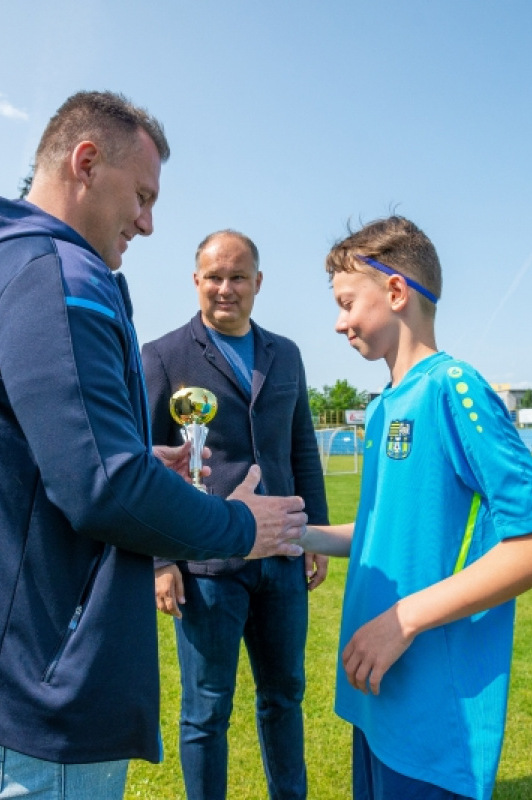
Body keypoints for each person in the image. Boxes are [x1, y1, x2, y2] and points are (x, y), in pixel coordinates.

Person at [0, 91, 307, 800]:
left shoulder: (9, 264)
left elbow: (49, 458)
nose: (148, 224)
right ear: (87, 163)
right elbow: (105, 487)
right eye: (143, 197)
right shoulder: (56, 275)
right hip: (43, 676)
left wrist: (129, 457)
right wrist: (244, 526)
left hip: (13, 660)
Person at [297, 216, 532, 800]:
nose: (338, 321)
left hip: (431, 715)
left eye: (348, 302)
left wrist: (403, 619)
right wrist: (297, 534)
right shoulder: (382, 408)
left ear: (396, 292)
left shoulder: (453, 387)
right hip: (379, 697)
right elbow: (383, 529)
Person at [142, 230, 329, 800]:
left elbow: (301, 449)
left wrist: (313, 532)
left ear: (258, 283)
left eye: (238, 277)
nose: (226, 288)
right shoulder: (163, 355)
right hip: (207, 564)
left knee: (285, 695)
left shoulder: (286, 353)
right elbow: (144, 463)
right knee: (206, 710)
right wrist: (160, 559)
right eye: (215, 277)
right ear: (196, 281)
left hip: (281, 558)